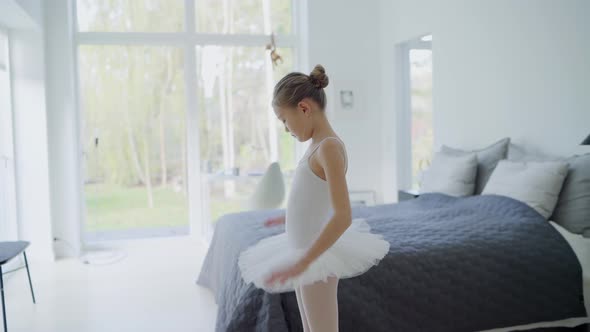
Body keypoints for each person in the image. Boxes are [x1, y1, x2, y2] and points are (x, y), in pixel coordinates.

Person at [238, 64, 390, 332]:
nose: (285, 129)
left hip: (315, 255)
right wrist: (286, 219)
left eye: (284, 120)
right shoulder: (316, 146)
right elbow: (314, 201)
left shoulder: (329, 147)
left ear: (305, 108)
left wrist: (306, 260)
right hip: (302, 249)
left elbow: (343, 216)